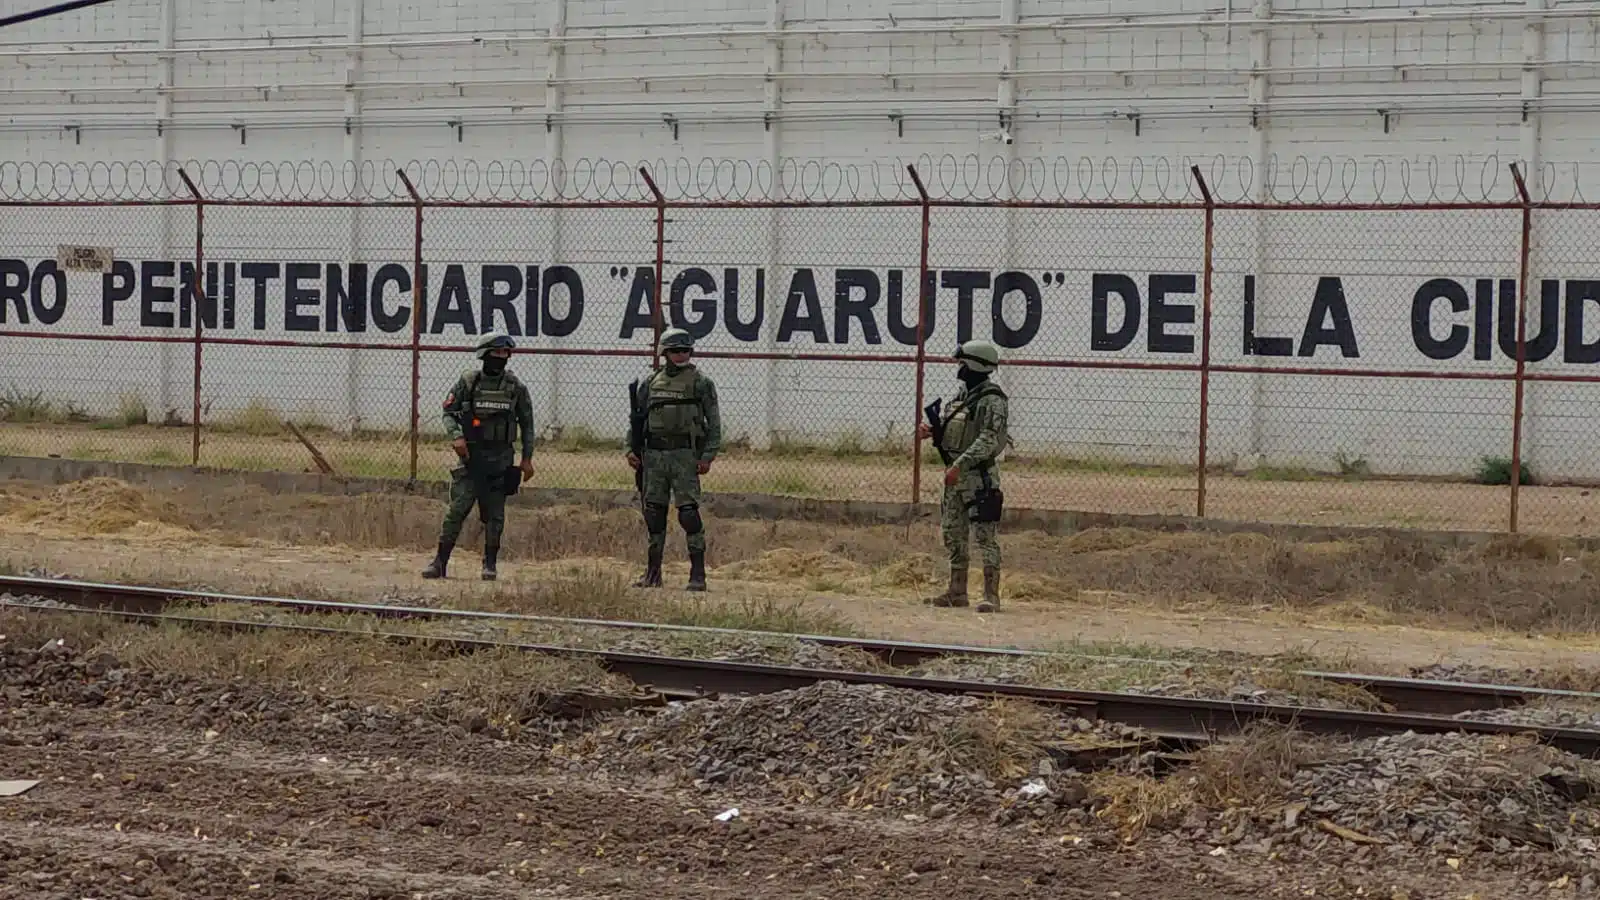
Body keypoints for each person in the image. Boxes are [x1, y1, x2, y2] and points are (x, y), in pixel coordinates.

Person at [421, 330, 535, 582]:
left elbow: (528, 424)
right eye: (496, 353)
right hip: (472, 461)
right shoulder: (469, 382)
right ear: (484, 355)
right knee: (457, 511)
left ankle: (489, 564)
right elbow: (448, 412)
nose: (501, 357)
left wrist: (527, 459)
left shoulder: (515, 388)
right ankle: (440, 562)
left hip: (501, 461)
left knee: (495, 516)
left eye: (505, 353)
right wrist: (456, 436)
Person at [917, 339, 1010, 612]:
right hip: (955, 478)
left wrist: (961, 463)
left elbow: (989, 439)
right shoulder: (961, 396)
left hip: (979, 478)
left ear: (973, 365)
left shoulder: (993, 401)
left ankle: (991, 596)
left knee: (985, 536)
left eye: (961, 363)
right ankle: (957, 591)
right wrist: (933, 432)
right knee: (953, 533)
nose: (958, 368)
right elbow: (957, 429)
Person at [627, 327, 722, 591]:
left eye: (686, 350)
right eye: (676, 351)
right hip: (654, 456)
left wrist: (707, 456)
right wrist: (631, 449)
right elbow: (637, 419)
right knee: (654, 513)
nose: (681, 355)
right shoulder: (650, 383)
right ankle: (653, 573)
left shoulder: (701, 382)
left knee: (689, 514)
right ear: (665, 353)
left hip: (684, 456)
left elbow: (713, 423)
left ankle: (697, 574)